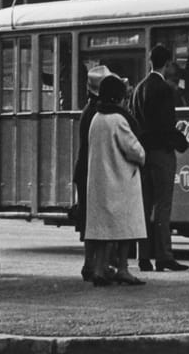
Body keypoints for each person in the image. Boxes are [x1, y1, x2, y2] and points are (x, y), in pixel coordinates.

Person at [131, 43, 189, 272]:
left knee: (144, 206)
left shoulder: (138, 89)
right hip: (161, 154)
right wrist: (180, 142)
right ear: (166, 64)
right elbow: (166, 125)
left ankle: (143, 257)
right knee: (163, 207)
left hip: (143, 155)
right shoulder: (164, 90)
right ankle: (164, 256)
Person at [85, 74, 147, 286]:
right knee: (125, 227)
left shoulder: (97, 118)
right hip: (121, 181)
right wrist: (142, 155)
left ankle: (100, 268)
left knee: (102, 229)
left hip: (100, 182)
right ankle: (123, 268)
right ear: (119, 97)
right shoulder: (118, 120)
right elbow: (134, 150)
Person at [72, 64, 111, 281]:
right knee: (96, 220)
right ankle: (94, 265)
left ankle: (90, 263)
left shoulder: (89, 109)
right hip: (91, 171)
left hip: (84, 170)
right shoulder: (97, 112)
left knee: (90, 220)